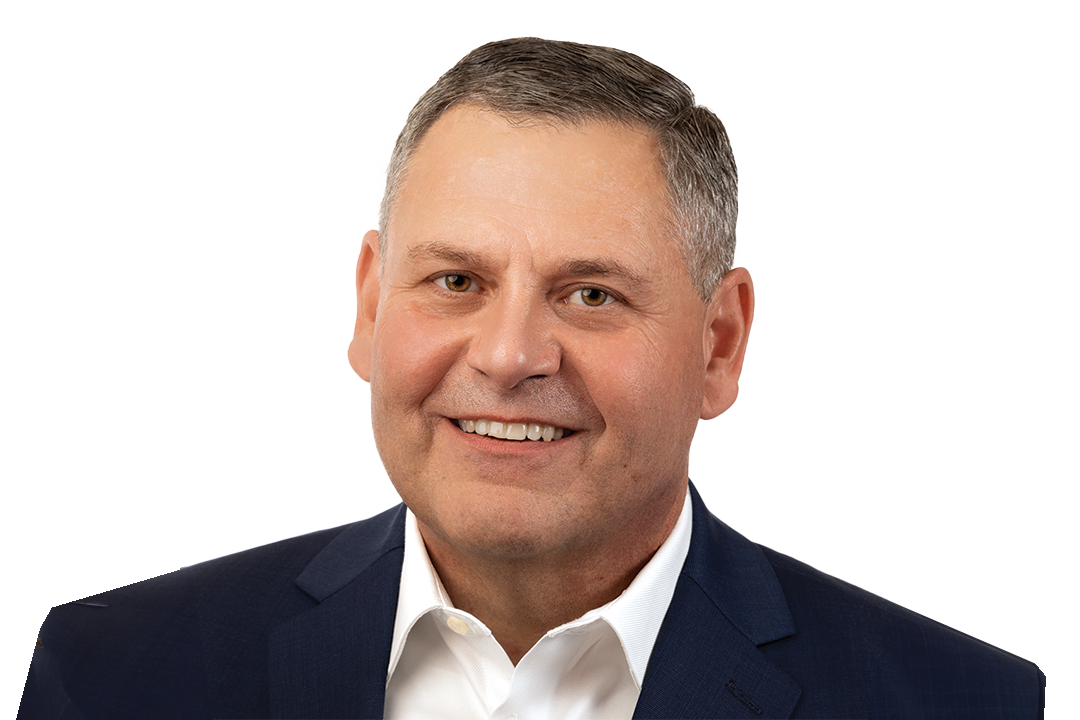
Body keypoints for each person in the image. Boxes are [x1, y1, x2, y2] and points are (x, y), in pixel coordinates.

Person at [20, 36, 1044, 719]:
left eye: (591, 294)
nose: (510, 357)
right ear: (372, 307)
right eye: (456, 279)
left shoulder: (966, 706)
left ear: (721, 345)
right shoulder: (114, 677)